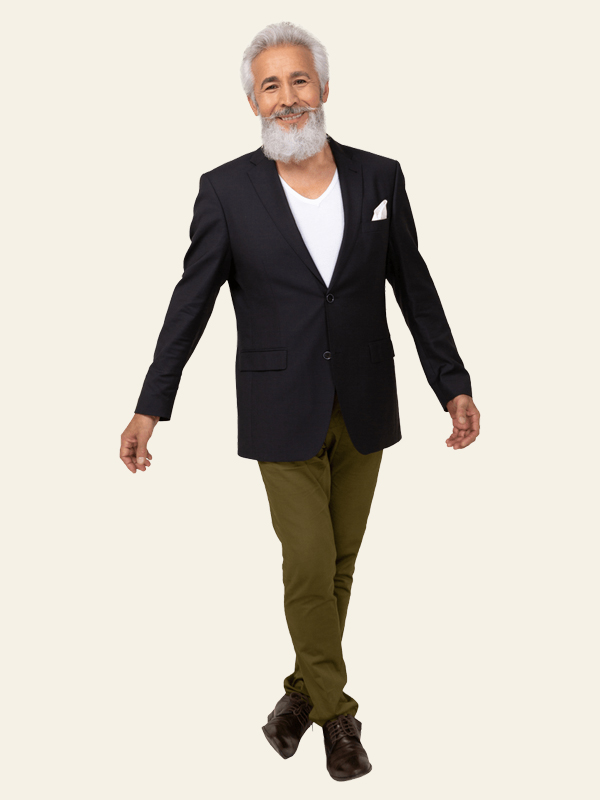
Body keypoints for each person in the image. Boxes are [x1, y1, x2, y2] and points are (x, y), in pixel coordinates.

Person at [120, 20, 480, 781]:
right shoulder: (226, 190)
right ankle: (339, 719)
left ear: (324, 88)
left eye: (299, 80)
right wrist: (151, 405)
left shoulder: (380, 177)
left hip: (367, 400)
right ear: (253, 102)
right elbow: (190, 304)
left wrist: (452, 384)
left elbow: (414, 286)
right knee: (309, 563)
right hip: (279, 405)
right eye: (270, 86)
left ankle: (297, 697)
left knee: (340, 565)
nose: (287, 97)